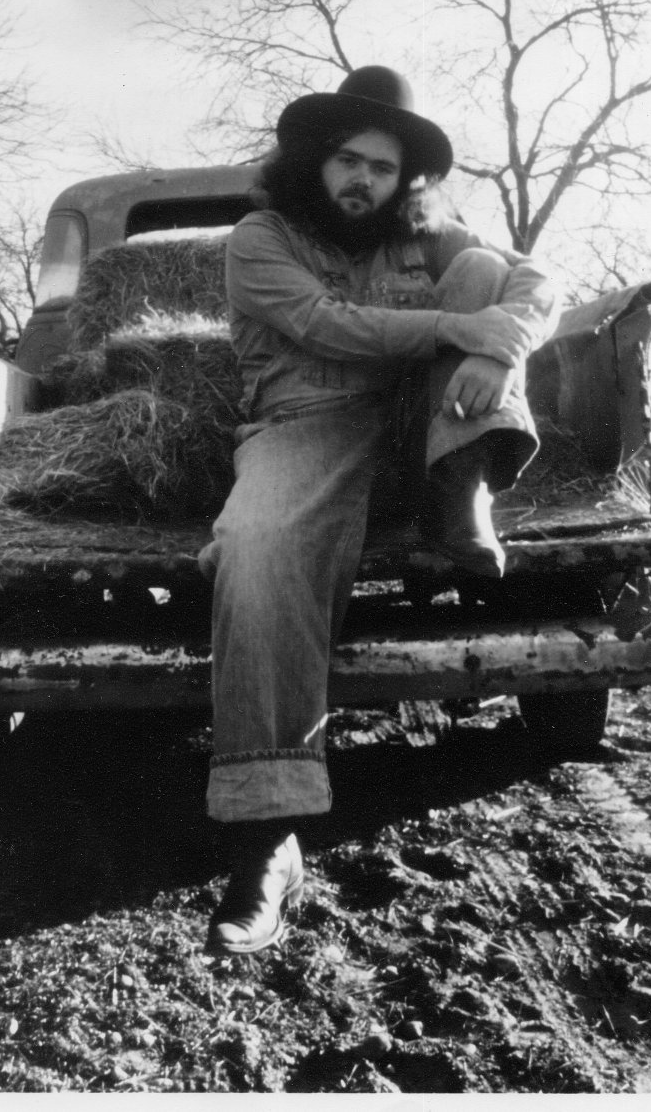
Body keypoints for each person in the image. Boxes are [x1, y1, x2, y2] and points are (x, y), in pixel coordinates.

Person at [197, 66, 558, 956]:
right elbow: (325, 324)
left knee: (481, 268)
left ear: (407, 181)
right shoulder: (258, 236)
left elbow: (536, 282)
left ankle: (458, 486)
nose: (364, 180)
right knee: (258, 542)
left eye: (384, 169)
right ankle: (269, 838)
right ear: (315, 161)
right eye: (348, 160)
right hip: (305, 423)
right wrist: (455, 331)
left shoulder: (425, 238)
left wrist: (502, 343)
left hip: (421, 427)